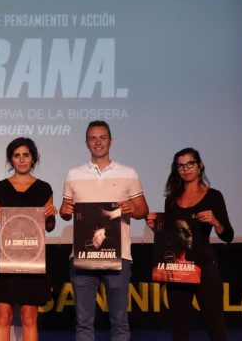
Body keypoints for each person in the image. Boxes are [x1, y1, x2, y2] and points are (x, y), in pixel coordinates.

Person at [60, 120, 149, 341]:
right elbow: (65, 212)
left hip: (119, 256)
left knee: (119, 322)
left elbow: (143, 210)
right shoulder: (73, 174)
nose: (97, 142)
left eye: (102, 137)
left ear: (110, 141)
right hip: (83, 255)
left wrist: (132, 208)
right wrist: (63, 210)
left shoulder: (128, 173)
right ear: (86, 143)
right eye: (92, 138)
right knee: (83, 323)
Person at [146, 147, 233, 341]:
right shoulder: (171, 199)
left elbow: (228, 235)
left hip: (205, 267)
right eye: (180, 166)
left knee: (215, 326)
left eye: (190, 164)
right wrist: (156, 228)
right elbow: (171, 238)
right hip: (179, 270)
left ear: (200, 166)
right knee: (179, 329)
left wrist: (215, 221)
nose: (185, 169)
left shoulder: (213, 196)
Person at [0, 137, 56, 341]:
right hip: (3, 255)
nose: (22, 159)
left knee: (29, 316)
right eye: (17, 155)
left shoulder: (44, 188)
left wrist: (51, 215)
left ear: (33, 159)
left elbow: (49, 228)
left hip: (32, 257)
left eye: (26, 155)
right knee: (3, 315)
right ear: (11, 160)